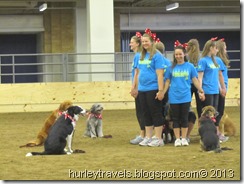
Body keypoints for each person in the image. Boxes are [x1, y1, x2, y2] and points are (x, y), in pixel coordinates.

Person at [162, 42, 205, 147]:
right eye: (176, 54)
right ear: (174, 55)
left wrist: (201, 90)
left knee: (185, 117)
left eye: (180, 54)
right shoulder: (170, 67)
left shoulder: (190, 66)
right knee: (176, 118)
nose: (178, 56)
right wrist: (162, 92)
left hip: (185, 96)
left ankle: (184, 138)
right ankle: (177, 139)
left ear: (184, 54)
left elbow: (194, 80)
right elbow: (167, 81)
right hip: (174, 96)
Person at [134, 28, 167, 147]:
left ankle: (158, 138)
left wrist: (160, 90)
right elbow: (137, 73)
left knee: (155, 112)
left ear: (152, 42)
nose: (144, 44)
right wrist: (136, 88)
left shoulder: (157, 56)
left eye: (146, 41)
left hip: (153, 88)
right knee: (145, 113)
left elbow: (160, 74)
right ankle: (148, 136)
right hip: (142, 89)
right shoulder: (139, 56)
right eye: (142, 42)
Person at [197, 37, 228, 142]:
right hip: (207, 90)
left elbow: (220, 75)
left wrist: (222, 88)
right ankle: (208, 134)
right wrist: (200, 91)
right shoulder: (203, 61)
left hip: (215, 90)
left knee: (215, 114)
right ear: (210, 48)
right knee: (208, 115)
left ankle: (215, 133)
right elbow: (200, 77)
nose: (217, 50)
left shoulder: (217, 60)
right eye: (215, 48)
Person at [129, 33, 145, 145]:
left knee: (140, 112)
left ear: (137, 44)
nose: (130, 44)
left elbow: (137, 73)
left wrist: (134, 87)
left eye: (132, 42)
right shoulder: (139, 55)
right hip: (140, 87)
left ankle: (142, 134)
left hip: (139, 87)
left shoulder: (137, 56)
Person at [216, 38, 230, 142]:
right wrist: (222, 88)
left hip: (221, 88)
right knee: (219, 112)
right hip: (219, 89)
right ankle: (218, 133)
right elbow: (218, 76)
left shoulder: (220, 61)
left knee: (220, 112)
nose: (226, 50)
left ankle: (219, 132)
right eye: (225, 48)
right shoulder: (218, 60)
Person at [155, 40, 172, 118]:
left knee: (157, 109)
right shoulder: (168, 62)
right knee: (166, 107)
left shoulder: (154, 61)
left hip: (156, 87)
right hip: (166, 88)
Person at [186, 39, 202, 119]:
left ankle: (187, 123)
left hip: (188, 83)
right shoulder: (201, 57)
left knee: (187, 104)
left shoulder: (186, 57)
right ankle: (201, 124)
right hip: (198, 83)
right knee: (200, 106)